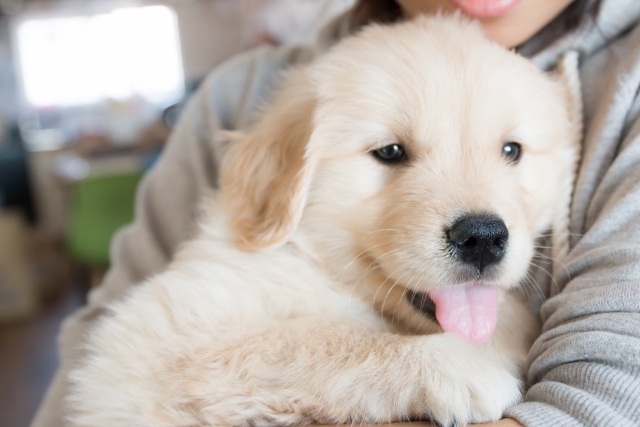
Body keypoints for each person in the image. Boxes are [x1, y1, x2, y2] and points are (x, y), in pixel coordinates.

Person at [32, 0, 640, 426]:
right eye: (392, 153)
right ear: (289, 175)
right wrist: (387, 368)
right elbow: (123, 379)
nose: (480, 215)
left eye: (510, 151)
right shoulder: (269, 248)